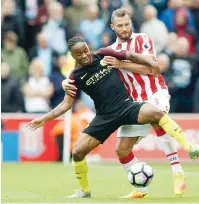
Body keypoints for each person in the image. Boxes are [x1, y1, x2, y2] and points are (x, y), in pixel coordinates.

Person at [31, 36, 199, 198]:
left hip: (126, 106)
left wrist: (150, 60)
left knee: (156, 113)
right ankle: (84, 190)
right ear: (73, 56)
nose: (85, 55)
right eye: (79, 54)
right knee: (77, 152)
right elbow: (66, 104)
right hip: (104, 116)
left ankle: (190, 147)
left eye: (85, 50)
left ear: (88, 46)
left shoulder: (102, 54)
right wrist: (44, 119)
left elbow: (130, 55)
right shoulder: (74, 76)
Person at [63, 8, 186, 198]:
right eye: (119, 25)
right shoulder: (109, 52)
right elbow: (86, 68)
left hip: (154, 93)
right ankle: (140, 189)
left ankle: (178, 170)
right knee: (121, 150)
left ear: (131, 23)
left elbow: (153, 69)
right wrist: (66, 81)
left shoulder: (143, 39)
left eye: (127, 24)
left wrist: (122, 64)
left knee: (156, 115)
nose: (124, 28)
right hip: (131, 103)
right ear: (113, 27)